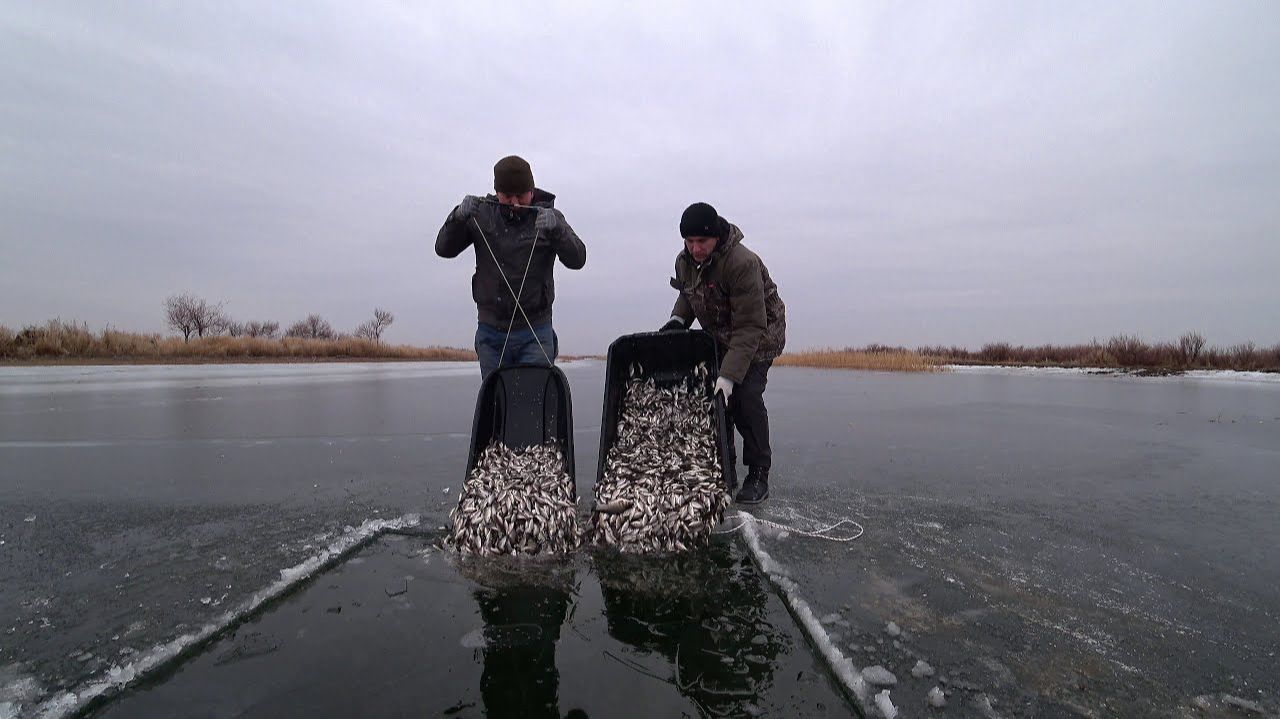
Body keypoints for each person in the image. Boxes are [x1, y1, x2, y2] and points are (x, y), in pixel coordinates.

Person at [661, 202, 786, 504]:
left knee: (744, 398)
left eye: (701, 242)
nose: (695, 249)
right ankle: (723, 470)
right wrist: (678, 320)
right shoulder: (685, 261)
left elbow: (750, 327)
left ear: (715, 237)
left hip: (759, 334)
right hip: (719, 334)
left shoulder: (741, 263)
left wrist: (729, 376)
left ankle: (758, 475)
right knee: (715, 402)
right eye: (689, 242)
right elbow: (689, 293)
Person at [436, 155, 586, 380]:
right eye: (508, 196)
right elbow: (444, 249)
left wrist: (558, 231)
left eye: (521, 195)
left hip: (535, 332)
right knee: (497, 405)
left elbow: (578, 259)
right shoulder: (480, 214)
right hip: (491, 333)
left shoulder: (549, 217)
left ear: (532, 191)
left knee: (535, 403)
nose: (515, 202)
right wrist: (456, 217)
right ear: (497, 192)